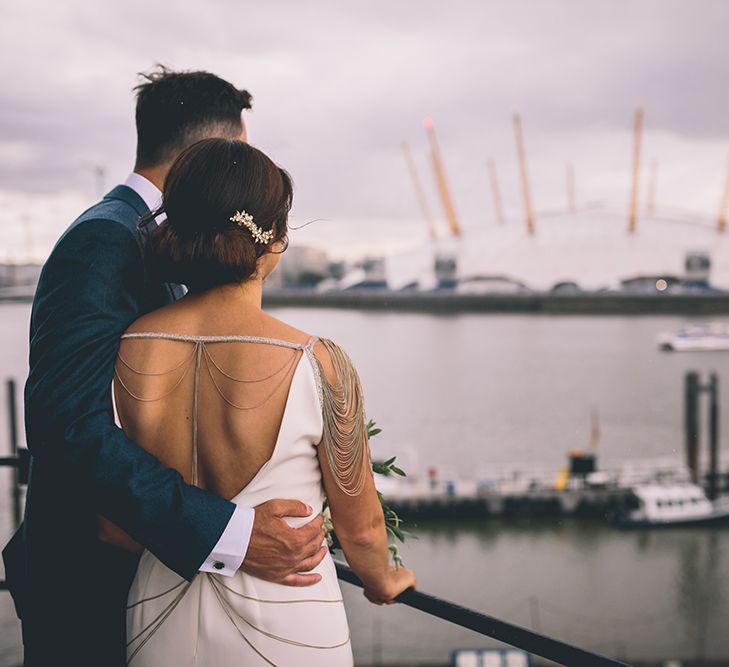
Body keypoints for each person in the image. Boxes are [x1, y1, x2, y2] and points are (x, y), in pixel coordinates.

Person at [2, 68, 328, 667]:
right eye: (236, 153)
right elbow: (70, 422)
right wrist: (229, 532)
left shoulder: (150, 236)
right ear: (206, 152)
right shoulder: (104, 241)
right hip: (86, 579)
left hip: (138, 563)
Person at [104, 137, 416, 665]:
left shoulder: (124, 348)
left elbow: (114, 524)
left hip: (156, 614)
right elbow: (361, 529)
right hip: (288, 627)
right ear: (273, 238)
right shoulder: (320, 362)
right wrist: (386, 579)